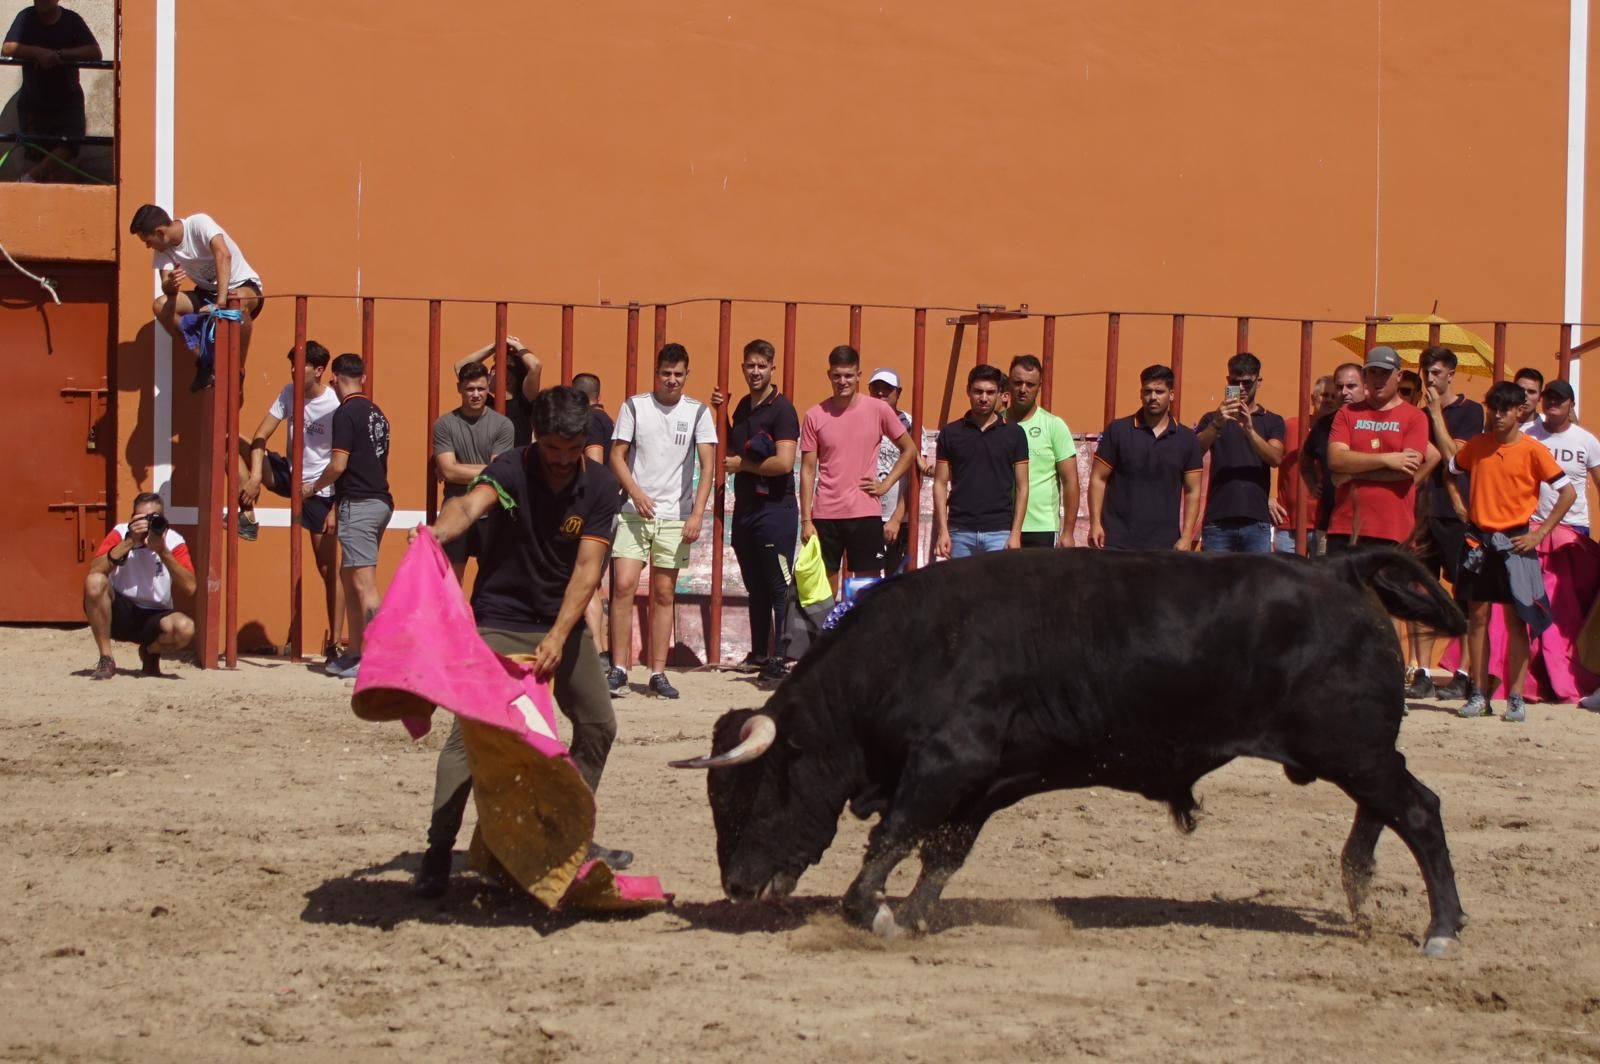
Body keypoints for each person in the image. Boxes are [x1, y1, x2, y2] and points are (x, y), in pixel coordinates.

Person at [411, 385, 631, 897]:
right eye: (552, 450)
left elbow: (587, 569)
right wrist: (439, 533)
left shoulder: (598, 486)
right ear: (537, 439)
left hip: (562, 622)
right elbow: (468, 507)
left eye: (571, 451)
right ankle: (438, 853)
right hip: (502, 619)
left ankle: (566, 834)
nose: (560, 461)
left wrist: (559, 635)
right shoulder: (510, 468)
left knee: (599, 725)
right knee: (471, 738)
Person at [1451, 381, 1576, 722]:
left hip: (1517, 542)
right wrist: (1458, 504)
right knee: (1476, 618)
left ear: (1520, 411)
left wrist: (1541, 534)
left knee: (1518, 620)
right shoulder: (1477, 446)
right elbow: (1451, 470)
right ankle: (1477, 693)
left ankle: (1515, 696)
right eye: (1494, 408)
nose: (1498, 415)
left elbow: (1567, 493)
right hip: (1478, 540)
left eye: (1505, 409)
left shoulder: (1533, 450)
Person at [607, 344, 717, 699]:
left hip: (675, 516)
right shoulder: (634, 406)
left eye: (678, 374)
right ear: (656, 373)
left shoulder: (698, 412)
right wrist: (635, 493)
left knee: (664, 592)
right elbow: (616, 456)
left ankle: (657, 672)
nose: (671, 380)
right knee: (622, 586)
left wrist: (697, 514)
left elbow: (708, 466)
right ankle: (619, 669)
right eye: (666, 373)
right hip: (633, 513)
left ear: (687, 375)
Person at [237, 341, 345, 660]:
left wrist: (337, 505)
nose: (296, 371)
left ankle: (335, 642)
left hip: (320, 488)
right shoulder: (288, 393)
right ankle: (248, 515)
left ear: (319, 370)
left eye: (302, 366)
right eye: (293, 366)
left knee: (327, 568)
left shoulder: (335, 404)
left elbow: (345, 461)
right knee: (231, 442)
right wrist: (256, 477)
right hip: (289, 472)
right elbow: (259, 437)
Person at [713, 340, 800, 683]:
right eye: (750, 365)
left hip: (775, 510)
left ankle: (781, 655)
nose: (755, 372)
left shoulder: (783, 410)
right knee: (756, 585)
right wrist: (720, 411)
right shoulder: (744, 408)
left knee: (779, 585)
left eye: (762, 365)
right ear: (743, 368)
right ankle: (759, 653)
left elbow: (784, 462)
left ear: (772, 369)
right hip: (746, 509)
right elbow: (732, 446)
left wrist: (743, 466)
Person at [799, 345, 916, 589]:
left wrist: (885, 485)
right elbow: (808, 470)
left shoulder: (879, 410)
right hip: (825, 515)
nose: (843, 381)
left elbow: (910, 450)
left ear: (858, 376)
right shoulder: (814, 415)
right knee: (824, 591)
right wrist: (806, 520)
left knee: (866, 591)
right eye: (837, 375)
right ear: (829, 375)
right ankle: (828, 629)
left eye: (849, 375)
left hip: (865, 513)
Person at [1404, 347, 1484, 699]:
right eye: (1425, 371)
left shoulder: (1471, 411)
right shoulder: (1415, 414)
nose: (1429, 378)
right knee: (1420, 591)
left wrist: (1435, 414)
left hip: (1458, 514)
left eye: (1436, 372)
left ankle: (1465, 673)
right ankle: (1420, 669)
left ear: (1451, 373)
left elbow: (1455, 458)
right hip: (1422, 513)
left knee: (1464, 595)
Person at [306, 354, 391, 680]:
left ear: (335, 379)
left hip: (361, 503)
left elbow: (339, 465)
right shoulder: (378, 414)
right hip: (377, 501)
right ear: (364, 378)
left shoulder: (345, 413)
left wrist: (313, 487)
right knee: (349, 576)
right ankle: (356, 652)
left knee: (363, 583)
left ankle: (373, 658)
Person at [129, 204, 264, 393]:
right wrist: (172, 284)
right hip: (206, 293)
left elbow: (223, 254)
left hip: (241, 286)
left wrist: (220, 303)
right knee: (161, 306)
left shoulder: (198, 224)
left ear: (160, 232)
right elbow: (167, 287)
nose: (147, 246)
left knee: (237, 301)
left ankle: (237, 371)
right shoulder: (162, 250)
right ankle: (205, 360)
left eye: (147, 240)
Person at [1523, 380, 1600, 704]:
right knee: (1531, 606)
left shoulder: (1586, 440)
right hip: (1534, 529)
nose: (1553, 402)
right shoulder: (1528, 433)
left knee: (1567, 611)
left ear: (1570, 404)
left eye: (1560, 398)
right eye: (1549, 397)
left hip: (1572, 533)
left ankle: (1566, 677)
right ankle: (1535, 680)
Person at [1326, 346, 1437, 550]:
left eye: (1385, 373)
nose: (1378, 379)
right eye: (1373, 372)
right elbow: (1336, 459)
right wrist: (1387, 459)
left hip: (1393, 530)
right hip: (1345, 528)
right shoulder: (1347, 413)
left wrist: (1353, 475)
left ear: (1399, 376)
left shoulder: (1415, 417)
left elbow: (1405, 470)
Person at [1088, 363, 1204, 550]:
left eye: (1159, 392)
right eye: (1147, 391)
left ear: (1171, 395)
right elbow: (1098, 479)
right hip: (1117, 542)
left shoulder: (1187, 439)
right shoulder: (1118, 431)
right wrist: (1095, 524)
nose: (1153, 397)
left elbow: (1193, 491)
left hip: (1165, 546)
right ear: (1141, 394)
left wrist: (1187, 536)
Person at [83, 492, 195, 680]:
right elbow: (95, 569)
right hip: (121, 610)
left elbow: (190, 587)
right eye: (141, 519)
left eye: (153, 519)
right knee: (94, 582)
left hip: (155, 614)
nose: (146, 525)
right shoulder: (121, 532)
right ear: (132, 518)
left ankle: (150, 651)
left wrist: (162, 551)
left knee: (185, 628)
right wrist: (129, 542)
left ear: (163, 520)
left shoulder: (173, 540)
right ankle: (106, 658)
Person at [934, 364, 1029, 557]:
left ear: (1000, 394)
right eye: (978, 392)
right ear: (968, 391)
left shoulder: (1014, 434)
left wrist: (1015, 533)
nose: (984, 398)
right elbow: (940, 483)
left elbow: (1023, 486)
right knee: (961, 588)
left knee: (997, 588)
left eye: (990, 392)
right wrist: (942, 531)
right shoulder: (950, 433)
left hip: (1000, 532)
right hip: (959, 532)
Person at [1194, 352, 1285, 553]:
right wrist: (1217, 424)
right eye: (1236, 383)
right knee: (1216, 583)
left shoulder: (1271, 420)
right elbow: (1195, 451)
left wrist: (1250, 430)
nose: (1242, 388)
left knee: (1256, 583)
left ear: (1258, 381)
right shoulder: (1212, 418)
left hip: (1256, 521)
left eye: (1247, 383)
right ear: (1228, 381)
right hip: (1218, 520)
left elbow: (1275, 458)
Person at [433, 362, 514, 584]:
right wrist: (487, 469)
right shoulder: (445, 424)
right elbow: (448, 472)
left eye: (480, 388)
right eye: (470, 389)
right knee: (450, 578)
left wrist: (459, 468)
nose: (476, 394)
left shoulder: (503, 425)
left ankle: (483, 620)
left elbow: (499, 472)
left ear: (488, 387)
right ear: (459, 388)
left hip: (491, 510)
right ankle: (453, 620)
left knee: (492, 579)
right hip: (455, 509)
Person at [2, 0, 100, 183]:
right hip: (35, 101)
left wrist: (60, 55)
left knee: (70, 143)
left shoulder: (72, 21)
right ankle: (33, 184)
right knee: (36, 152)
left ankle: (29, 179)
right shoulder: (26, 18)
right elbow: (8, 47)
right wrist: (38, 53)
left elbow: (94, 52)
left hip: (67, 100)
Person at [1007, 354, 1078, 548]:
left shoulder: (1054, 425)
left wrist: (1068, 532)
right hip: (1002, 525)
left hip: (1042, 527)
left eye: (1030, 385)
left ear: (1040, 385)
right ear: (1009, 383)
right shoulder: (997, 424)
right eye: (1018, 382)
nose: (1023, 389)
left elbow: (1070, 482)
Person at [572, 371, 615, 666]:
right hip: (609, 511)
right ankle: (600, 650)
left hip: (593, 513)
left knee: (585, 582)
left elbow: (596, 463)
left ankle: (598, 652)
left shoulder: (592, 422)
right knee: (595, 584)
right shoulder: (608, 420)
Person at [1300, 363, 1367, 548]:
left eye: (1351, 386)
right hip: (1331, 523)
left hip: (1371, 526)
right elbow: (1304, 461)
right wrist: (1312, 485)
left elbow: (1429, 456)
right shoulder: (1323, 426)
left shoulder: (1379, 420)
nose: (1344, 392)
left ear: (1365, 387)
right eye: (1339, 386)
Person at [1271, 375, 1333, 554]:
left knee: (1321, 580)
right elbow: (1265, 458)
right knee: (1285, 580)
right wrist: (1267, 499)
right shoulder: (1289, 426)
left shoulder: (1341, 431)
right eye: (1323, 395)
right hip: (1288, 523)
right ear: (1313, 398)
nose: (1328, 400)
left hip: (1324, 524)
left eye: (1332, 396)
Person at [866, 368, 916, 570]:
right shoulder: (861, 420)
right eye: (875, 388)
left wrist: (896, 518)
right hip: (866, 514)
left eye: (887, 389)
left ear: (899, 392)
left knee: (896, 581)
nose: (880, 393)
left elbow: (915, 478)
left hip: (897, 518)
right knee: (866, 577)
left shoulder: (911, 425)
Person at [453, 335, 541, 447]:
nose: (489, 373)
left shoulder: (524, 403)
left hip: (515, 464)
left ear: (507, 377)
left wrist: (517, 345)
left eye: (493, 369)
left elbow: (536, 366)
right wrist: (495, 347)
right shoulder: (485, 401)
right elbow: (460, 368)